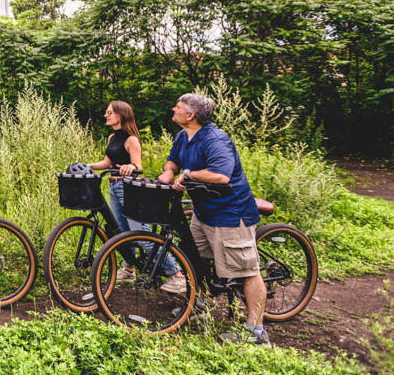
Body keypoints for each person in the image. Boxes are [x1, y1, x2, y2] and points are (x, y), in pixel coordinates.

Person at [158, 93, 270, 346]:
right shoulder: (183, 136)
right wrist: (168, 173)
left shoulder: (215, 139)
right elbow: (172, 161)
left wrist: (187, 174)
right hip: (203, 212)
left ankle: (256, 332)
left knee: (247, 271)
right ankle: (198, 305)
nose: (173, 109)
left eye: (178, 106)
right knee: (194, 259)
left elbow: (221, 176)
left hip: (230, 214)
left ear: (191, 115)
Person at [88, 101, 185, 294]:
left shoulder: (131, 140)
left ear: (121, 115)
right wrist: (86, 165)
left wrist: (131, 167)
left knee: (141, 234)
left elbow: (138, 166)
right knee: (122, 232)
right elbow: (107, 162)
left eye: (109, 112)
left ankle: (177, 275)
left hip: (128, 189)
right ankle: (129, 269)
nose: (106, 115)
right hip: (114, 186)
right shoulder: (112, 138)